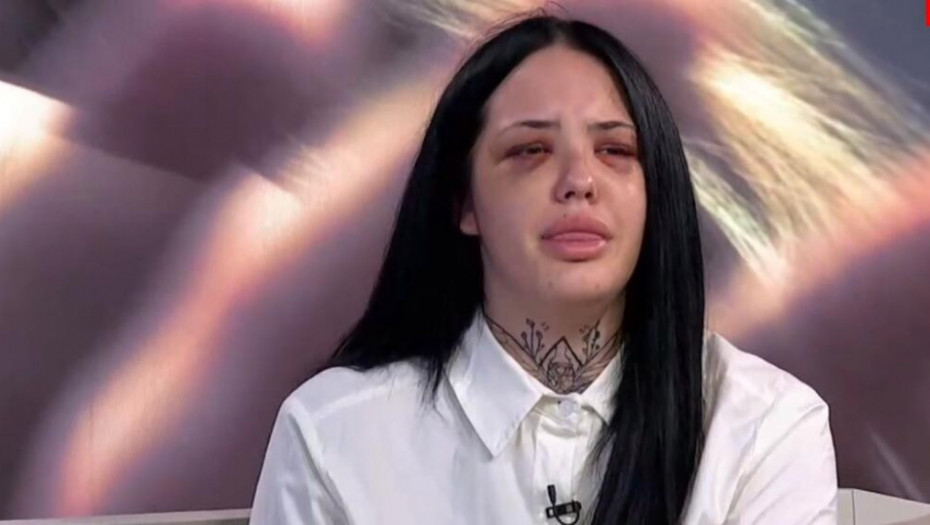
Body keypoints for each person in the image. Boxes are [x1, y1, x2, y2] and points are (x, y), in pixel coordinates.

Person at [249, 14, 837, 524]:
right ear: (464, 202)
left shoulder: (766, 425)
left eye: (615, 151)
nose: (579, 181)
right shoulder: (332, 434)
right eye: (530, 151)